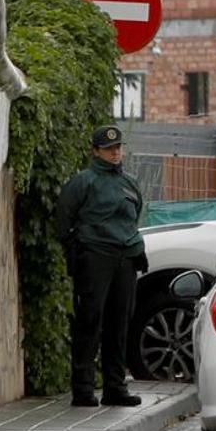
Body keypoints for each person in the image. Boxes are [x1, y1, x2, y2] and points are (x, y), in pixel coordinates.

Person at [56, 125, 148, 407]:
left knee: (119, 324)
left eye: (118, 148)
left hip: (126, 258)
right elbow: (63, 221)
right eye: (109, 149)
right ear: (95, 151)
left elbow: (134, 217)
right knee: (89, 322)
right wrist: (79, 252)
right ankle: (83, 390)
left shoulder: (129, 183)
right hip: (95, 257)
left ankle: (115, 388)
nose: (115, 153)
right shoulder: (83, 182)